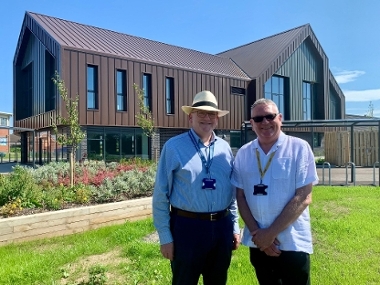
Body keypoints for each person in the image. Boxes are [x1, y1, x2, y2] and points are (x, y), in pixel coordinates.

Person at [153, 90, 240, 285]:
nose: (207, 118)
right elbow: (160, 194)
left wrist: (234, 226)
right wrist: (165, 236)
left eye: (211, 114)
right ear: (190, 117)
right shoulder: (173, 147)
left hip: (221, 227)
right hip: (187, 229)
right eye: (201, 113)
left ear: (217, 119)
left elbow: (231, 192)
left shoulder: (225, 149)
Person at [231, 98, 318, 285]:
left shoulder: (299, 148)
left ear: (280, 118)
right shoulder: (244, 154)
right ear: (251, 123)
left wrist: (270, 233)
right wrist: (259, 234)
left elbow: (304, 196)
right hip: (259, 244)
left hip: (292, 242)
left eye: (270, 116)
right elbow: (240, 196)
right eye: (258, 118)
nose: (265, 122)